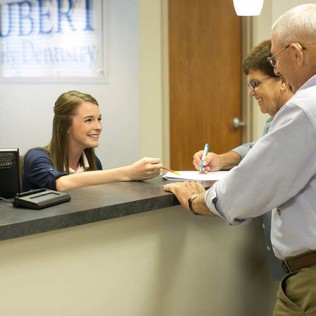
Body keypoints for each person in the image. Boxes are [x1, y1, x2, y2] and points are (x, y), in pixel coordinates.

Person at [164, 4, 316, 315]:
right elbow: (265, 150)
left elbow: (246, 193)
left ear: (297, 53)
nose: (279, 69)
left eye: (276, 59)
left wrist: (197, 201)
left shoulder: (305, 108)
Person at [193, 40, 293, 281]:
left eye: (256, 84)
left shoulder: (295, 120)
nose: (251, 92)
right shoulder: (278, 118)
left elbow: (248, 188)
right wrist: (221, 160)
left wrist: (195, 201)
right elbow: (258, 147)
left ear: (282, 80)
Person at [22, 90, 163, 192]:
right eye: (89, 120)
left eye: (99, 119)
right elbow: (61, 184)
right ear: (65, 126)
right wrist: (128, 172)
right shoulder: (36, 158)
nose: (98, 127)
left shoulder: (94, 162)